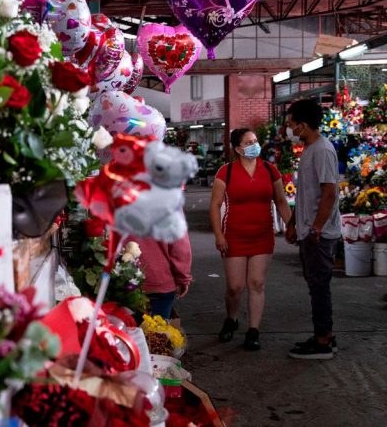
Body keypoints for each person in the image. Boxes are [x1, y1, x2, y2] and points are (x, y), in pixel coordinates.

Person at [209, 128, 292, 350]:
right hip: (233, 235)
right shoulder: (225, 173)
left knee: (256, 283)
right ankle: (232, 318)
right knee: (235, 287)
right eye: (249, 142)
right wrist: (219, 235)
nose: (255, 145)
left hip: (262, 235)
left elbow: (281, 202)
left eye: (255, 141)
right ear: (238, 148)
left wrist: (291, 227)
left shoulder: (270, 170)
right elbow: (215, 205)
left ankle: (253, 330)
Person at [284, 99, 341, 360]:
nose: (289, 129)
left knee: (319, 286)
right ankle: (325, 334)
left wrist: (316, 227)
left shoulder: (323, 151)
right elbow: (305, 195)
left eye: (291, 125)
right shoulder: (309, 150)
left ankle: (322, 342)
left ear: (303, 125)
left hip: (320, 234)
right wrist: (294, 222)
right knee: (315, 285)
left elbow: (329, 193)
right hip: (308, 230)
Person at [135, 234, 192, 319]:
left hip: (123, 280)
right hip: (160, 282)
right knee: (159, 328)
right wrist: (183, 279)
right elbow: (180, 248)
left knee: (123, 327)